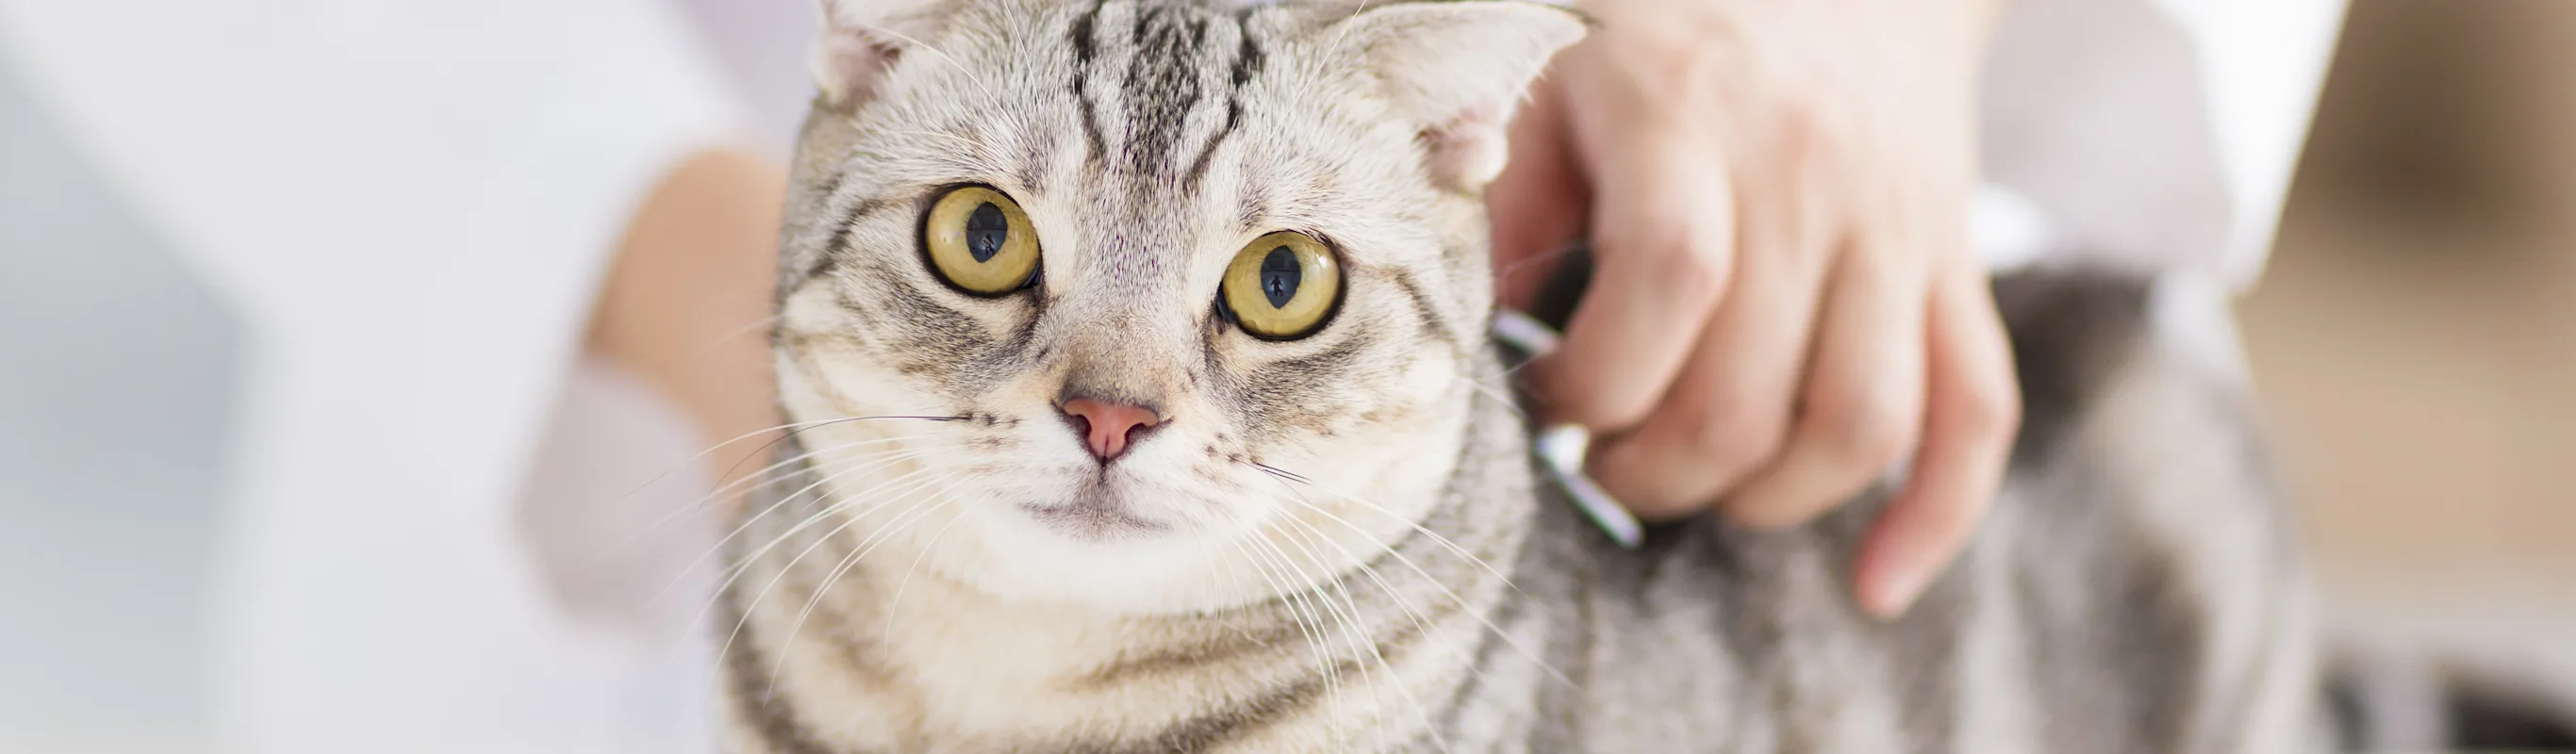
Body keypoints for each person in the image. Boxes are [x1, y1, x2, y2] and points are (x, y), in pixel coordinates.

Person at [0, 0, 2343, 748]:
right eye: (1012, 263)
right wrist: (716, 252)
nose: (1114, 395)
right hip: (694, 394)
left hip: (1835, 387)